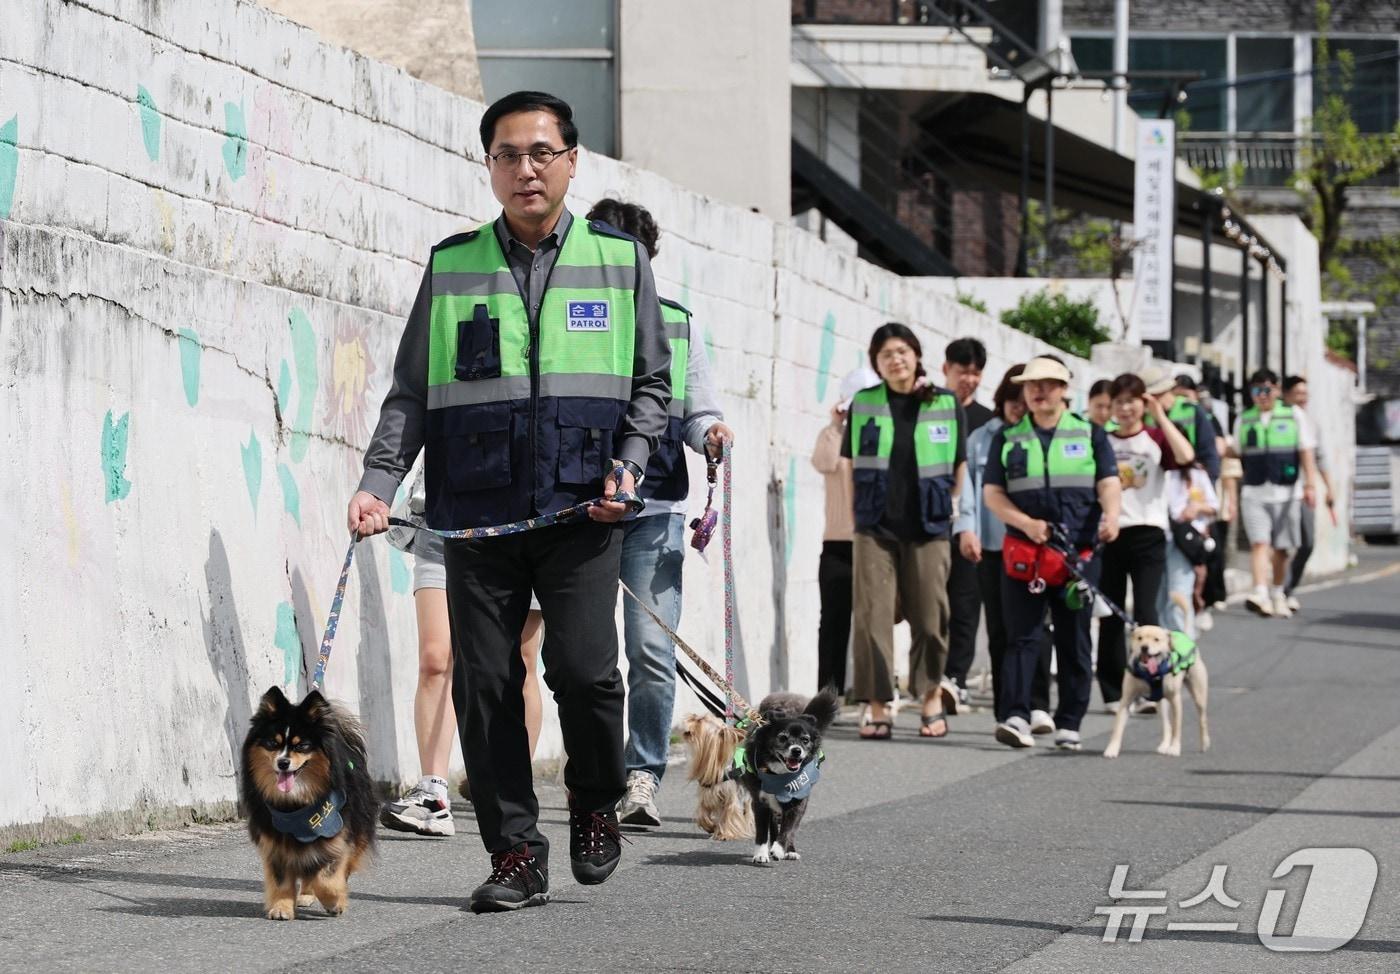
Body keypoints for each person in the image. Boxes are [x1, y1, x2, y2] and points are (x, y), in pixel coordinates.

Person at [347, 90, 672, 913]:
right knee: (483, 684)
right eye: (506, 155)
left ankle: (596, 804)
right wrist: (378, 483)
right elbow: (411, 392)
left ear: (571, 160)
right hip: (476, 514)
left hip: (582, 514)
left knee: (587, 674)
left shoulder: (621, 262)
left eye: (540, 153)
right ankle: (515, 853)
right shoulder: (452, 264)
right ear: (489, 165)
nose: (524, 169)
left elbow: (650, 386)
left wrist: (629, 466)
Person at [579, 199, 734, 830]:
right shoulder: (571, 314)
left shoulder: (679, 324)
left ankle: (641, 777)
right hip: (580, 510)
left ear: (647, 260)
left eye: (631, 254)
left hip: (657, 506)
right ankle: (593, 775)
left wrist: (713, 433)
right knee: (585, 656)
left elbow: (697, 412)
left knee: (649, 650)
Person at [379, 466, 545, 836]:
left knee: (520, 661)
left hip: (527, 525)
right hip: (445, 520)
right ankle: (433, 796)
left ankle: (512, 785)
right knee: (436, 659)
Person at [984, 356, 1120, 750]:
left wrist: (1111, 516)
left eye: (1047, 384)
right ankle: (1016, 714)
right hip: (1026, 553)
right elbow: (993, 494)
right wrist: (1025, 523)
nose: (1038, 392)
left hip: (1077, 555)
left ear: (1065, 390)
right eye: (1031, 386)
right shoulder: (1007, 439)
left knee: (1074, 637)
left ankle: (1070, 722)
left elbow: (1108, 483)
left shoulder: (1091, 434)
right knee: (1022, 636)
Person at [843, 323, 967, 740]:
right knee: (873, 619)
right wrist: (853, 517)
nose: (895, 359)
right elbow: (849, 463)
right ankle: (878, 704)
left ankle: (929, 695)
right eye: (885, 355)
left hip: (929, 526)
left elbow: (959, 463)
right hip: (874, 527)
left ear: (916, 354)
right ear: (876, 364)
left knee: (931, 618)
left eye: (901, 351)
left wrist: (952, 507)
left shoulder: (946, 403)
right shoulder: (864, 403)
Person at [955, 363, 1053, 732]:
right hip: (994, 547)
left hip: (1034, 547)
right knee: (999, 630)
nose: (1016, 407)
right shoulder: (982, 437)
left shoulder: (1041, 437)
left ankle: (1039, 704)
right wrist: (968, 530)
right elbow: (968, 490)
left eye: (1021, 400)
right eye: (1010, 400)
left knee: (1036, 627)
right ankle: (1008, 709)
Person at [1095, 373, 1194, 713]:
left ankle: (1151, 688)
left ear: (1143, 403)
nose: (1125, 408)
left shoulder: (1154, 438)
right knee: (1109, 613)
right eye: (1119, 402)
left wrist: (1160, 415)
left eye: (1131, 401)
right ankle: (1112, 692)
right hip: (1110, 532)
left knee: (1148, 612)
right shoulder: (1103, 440)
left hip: (1148, 532)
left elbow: (1185, 455)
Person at [812, 367, 880, 697]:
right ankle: (830, 694)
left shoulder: (883, 436)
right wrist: (836, 424)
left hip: (875, 543)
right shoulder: (834, 437)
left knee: (874, 623)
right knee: (833, 623)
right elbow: (822, 462)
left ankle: (872, 694)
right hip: (838, 543)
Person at [1234, 368, 1319, 619]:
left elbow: (1306, 452)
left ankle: (1278, 592)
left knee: (1282, 549)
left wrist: (1310, 485)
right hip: (1254, 492)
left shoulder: (1293, 416)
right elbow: (1235, 451)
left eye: (1267, 390)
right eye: (1257, 390)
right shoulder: (1244, 419)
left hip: (1286, 493)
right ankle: (1260, 592)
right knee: (1260, 543)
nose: (1262, 396)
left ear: (1277, 390)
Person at [942, 337, 993, 709]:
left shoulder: (987, 422)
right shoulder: (931, 411)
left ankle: (955, 677)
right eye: (963, 371)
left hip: (970, 528)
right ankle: (931, 676)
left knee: (965, 602)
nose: (969, 379)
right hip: (928, 525)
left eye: (976, 373)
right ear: (946, 369)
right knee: (929, 607)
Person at [1281, 375, 1336, 612]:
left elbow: (1320, 458)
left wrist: (1328, 488)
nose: (1303, 399)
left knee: (1307, 542)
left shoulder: (1311, 423)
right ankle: (1276, 590)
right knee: (1280, 544)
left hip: (1305, 492)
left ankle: (1287, 588)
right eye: (1298, 394)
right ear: (1286, 395)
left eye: (1305, 394)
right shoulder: (1277, 420)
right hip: (1281, 491)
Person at [1141, 367, 1221, 481]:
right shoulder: (1146, 416)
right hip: (1159, 478)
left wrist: (1208, 481)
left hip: (1191, 477)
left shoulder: (1191, 410)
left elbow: (1208, 452)